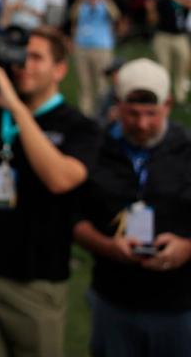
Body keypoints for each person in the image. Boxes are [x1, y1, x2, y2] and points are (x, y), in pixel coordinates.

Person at [0, 27, 101, 356]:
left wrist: (16, 108)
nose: (22, 65)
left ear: (60, 69)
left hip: (35, 277)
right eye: (19, 56)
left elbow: (59, 178)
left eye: (36, 57)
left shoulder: (79, 126)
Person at [73, 59, 191, 356]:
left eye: (151, 114)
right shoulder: (95, 148)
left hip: (179, 304)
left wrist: (187, 247)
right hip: (113, 299)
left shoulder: (187, 149)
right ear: (116, 104)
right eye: (132, 113)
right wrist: (106, 246)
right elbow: (72, 217)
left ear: (168, 104)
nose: (142, 124)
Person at [71, 0, 120, 117]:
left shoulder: (104, 6)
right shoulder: (82, 6)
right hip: (82, 48)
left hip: (101, 48)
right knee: (84, 84)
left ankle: (101, 114)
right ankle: (85, 114)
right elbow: (73, 16)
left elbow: (116, 15)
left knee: (102, 84)